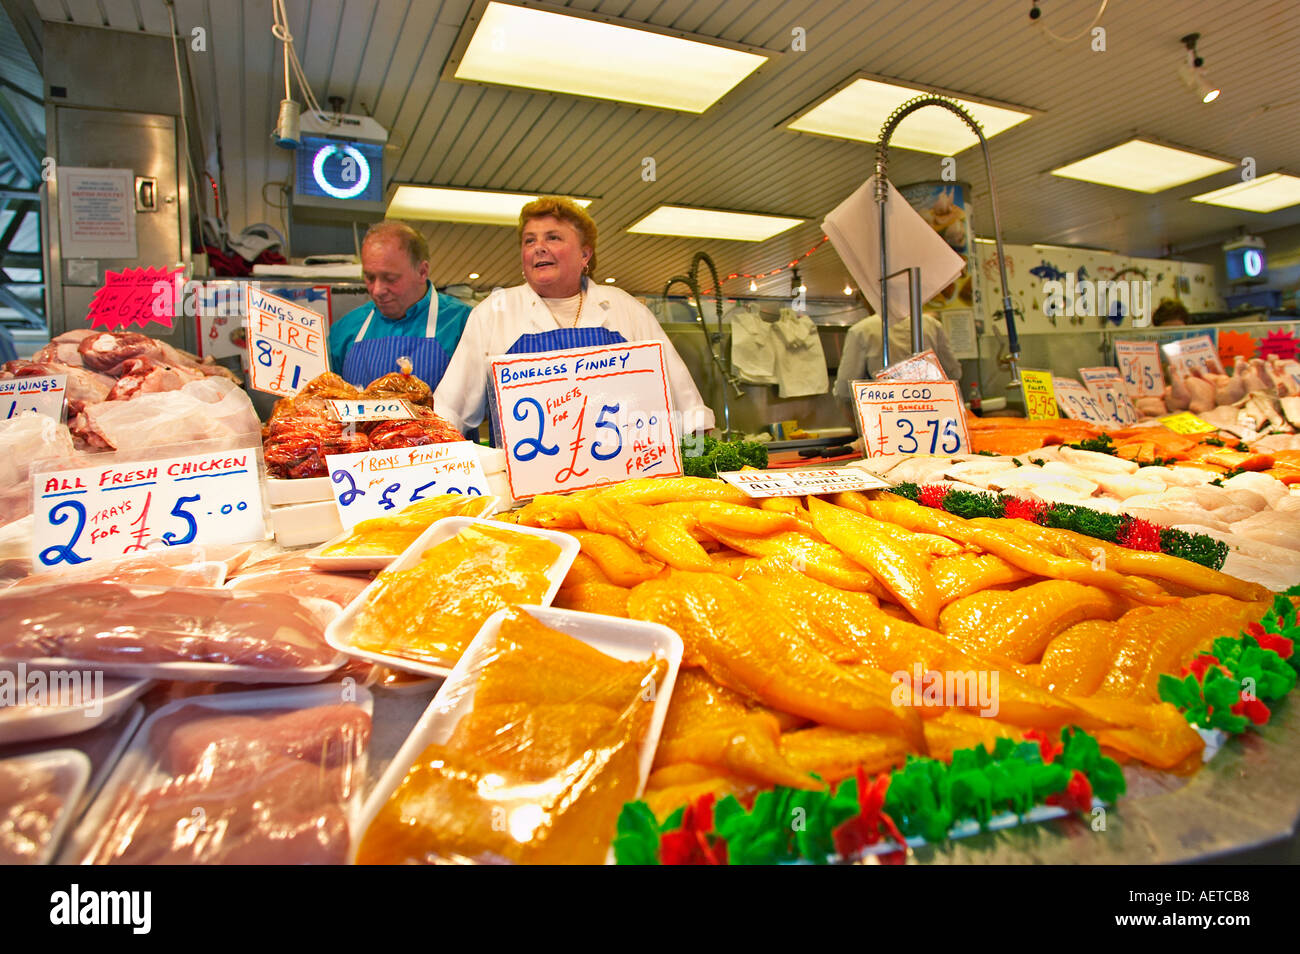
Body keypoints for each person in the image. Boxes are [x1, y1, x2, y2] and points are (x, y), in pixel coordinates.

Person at [433, 196, 714, 438]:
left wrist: (698, 467)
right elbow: (449, 411)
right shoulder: (494, 313)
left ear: (585, 254)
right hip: (527, 497)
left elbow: (689, 412)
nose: (538, 247)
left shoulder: (625, 309)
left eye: (553, 237)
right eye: (529, 240)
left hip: (621, 490)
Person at [328, 221, 472, 388]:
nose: (377, 290)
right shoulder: (345, 329)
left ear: (422, 271)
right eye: (369, 278)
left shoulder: (463, 323)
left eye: (390, 279)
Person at [832, 302, 963, 407]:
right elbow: (953, 373)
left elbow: (845, 389)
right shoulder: (931, 324)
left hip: (885, 417)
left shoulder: (861, 330)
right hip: (933, 411)